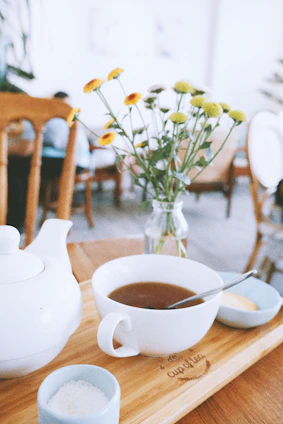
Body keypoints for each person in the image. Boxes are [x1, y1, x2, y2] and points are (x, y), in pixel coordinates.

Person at [7, 92, 90, 232]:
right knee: (21, 166)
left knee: (15, 166)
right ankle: (19, 217)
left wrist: (5, 149)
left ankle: (16, 221)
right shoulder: (62, 116)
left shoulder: (46, 117)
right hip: (81, 160)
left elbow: (26, 148)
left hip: (73, 162)